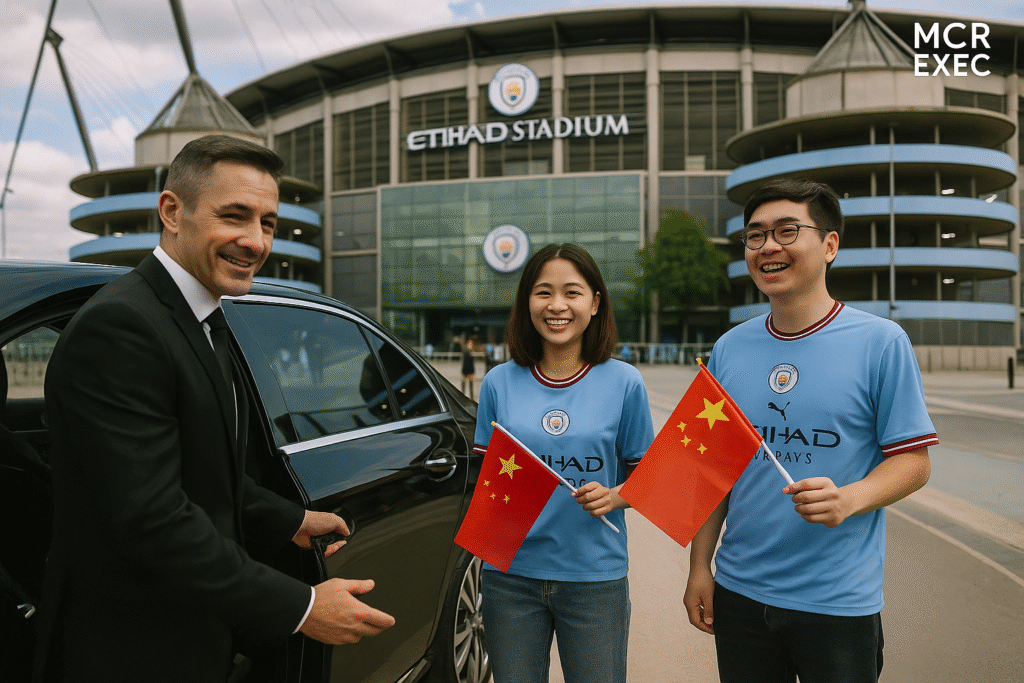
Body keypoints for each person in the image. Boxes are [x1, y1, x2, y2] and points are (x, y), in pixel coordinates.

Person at [36, 135, 394, 683]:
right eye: (235, 216)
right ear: (172, 211)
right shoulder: (123, 329)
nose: (255, 241)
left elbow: (203, 468)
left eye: (268, 223)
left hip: (192, 637)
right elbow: (152, 521)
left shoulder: (203, 316)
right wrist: (301, 606)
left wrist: (288, 519)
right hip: (131, 650)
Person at [683, 178, 937, 683]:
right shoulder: (731, 347)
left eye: (786, 230)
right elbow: (712, 469)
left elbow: (914, 462)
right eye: (755, 236)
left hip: (837, 601)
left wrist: (851, 497)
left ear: (829, 245)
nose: (768, 246)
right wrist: (699, 568)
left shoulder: (881, 342)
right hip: (740, 594)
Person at [474, 243, 655, 683]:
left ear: (595, 304)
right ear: (526, 303)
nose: (557, 305)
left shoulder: (624, 381)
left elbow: (649, 476)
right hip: (509, 577)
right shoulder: (498, 382)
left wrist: (615, 496)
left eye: (572, 292)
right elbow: (485, 480)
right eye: (543, 293)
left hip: (593, 578)